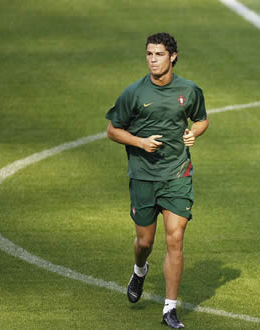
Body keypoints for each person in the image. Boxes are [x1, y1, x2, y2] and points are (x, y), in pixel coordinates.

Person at [105, 32, 209, 329]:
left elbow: (201, 118)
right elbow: (113, 130)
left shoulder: (189, 90)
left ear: (172, 56)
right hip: (143, 177)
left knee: (175, 239)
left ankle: (169, 309)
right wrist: (140, 142)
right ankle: (140, 270)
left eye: (159, 54)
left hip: (177, 174)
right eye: (149, 54)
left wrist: (194, 133)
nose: (153, 60)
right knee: (144, 241)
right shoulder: (134, 93)